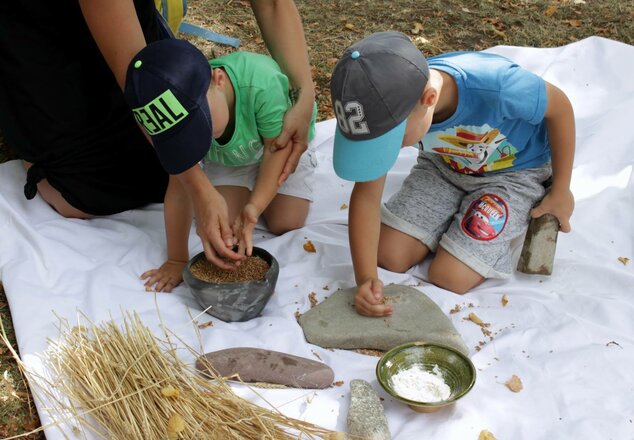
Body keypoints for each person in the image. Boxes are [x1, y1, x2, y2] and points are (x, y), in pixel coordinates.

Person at [0, 0, 315, 269]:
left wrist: (304, 95)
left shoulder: (258, 89)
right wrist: (197, 190)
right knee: (83, 197)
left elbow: (273, 4)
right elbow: (142, 84)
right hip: (45, 37)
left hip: (131, 28)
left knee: (158, 170)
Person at [330, 32, 575, 316]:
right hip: (443, 166)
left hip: (513, 173)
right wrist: (365, 278)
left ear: (429, 98)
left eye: (391, 139)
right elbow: (366, 197)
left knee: (450, 276)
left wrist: (561, 190)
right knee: (388, 255)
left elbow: (561, 108)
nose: (388, 149)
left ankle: (499, 218)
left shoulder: (497, 86)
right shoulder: (393, 98)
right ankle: (451, 217)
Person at [128, 39, 316, 292]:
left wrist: (255, 205)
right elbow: (179, 186)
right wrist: (176, 259)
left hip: (278, 146)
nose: (201, 139)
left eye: (200, 125)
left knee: (286, 221)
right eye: (185, 136)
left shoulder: (261, 83)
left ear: (218, 80)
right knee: (223, 229)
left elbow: (277, 150)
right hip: (231, 158)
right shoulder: (182, 109)